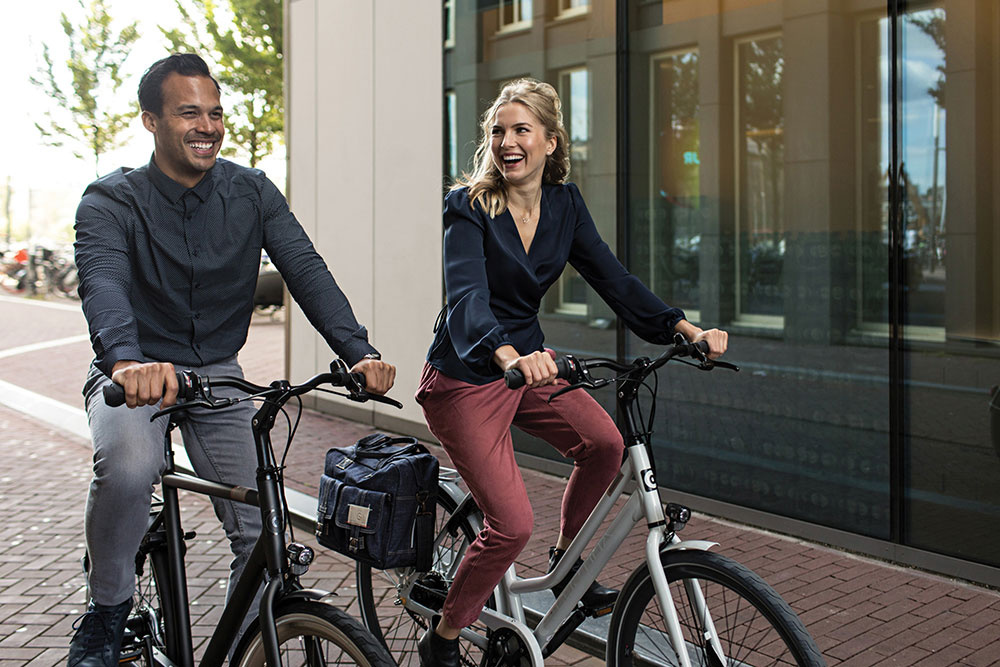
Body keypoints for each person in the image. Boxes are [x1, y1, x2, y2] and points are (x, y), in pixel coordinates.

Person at [68, 53, 396, 667]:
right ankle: (106, 609)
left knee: (262, 523)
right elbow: (103, 285)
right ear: (151, 122)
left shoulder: (252, 192)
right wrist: (124, 363)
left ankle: (247, 640)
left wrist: (358, 351)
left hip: (217, 374)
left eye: (215, 112)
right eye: (189, 111)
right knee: (130, 469)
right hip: (135, 377)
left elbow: (305, 269)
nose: (208, 125)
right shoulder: (110, 201)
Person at [414, 78, 728, 667]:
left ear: (551, 142)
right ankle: (445, 637)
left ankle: (564, 568)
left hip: (530, 368)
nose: (507, 141)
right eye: (498, 131)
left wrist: (686, 331)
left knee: (606, 444)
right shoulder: (469, 205)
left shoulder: (565, 205)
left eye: (521, 130)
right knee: (510, 526)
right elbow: (466, 297)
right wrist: (506, 356)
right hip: (469, 374)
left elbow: (614, 280)